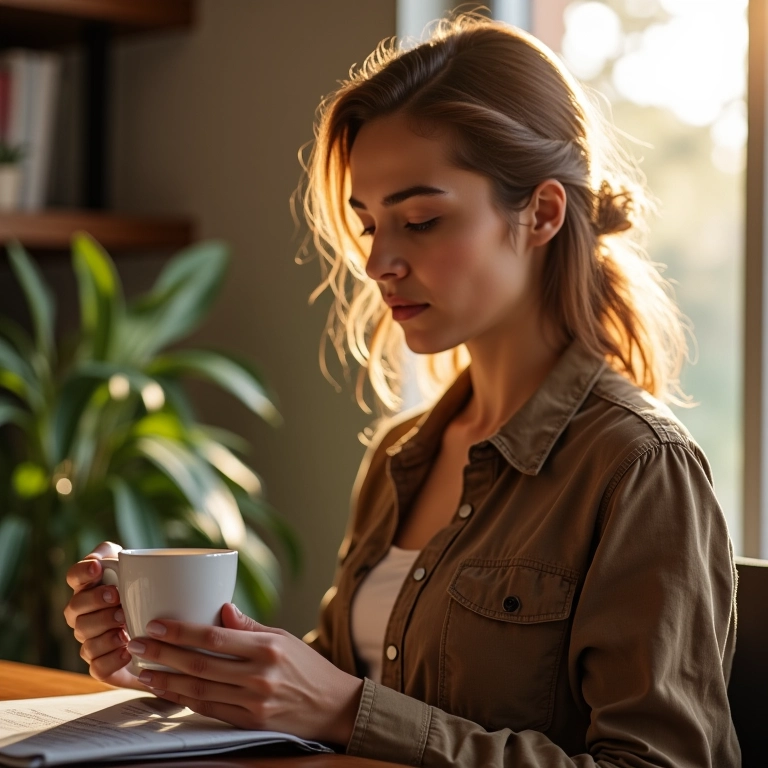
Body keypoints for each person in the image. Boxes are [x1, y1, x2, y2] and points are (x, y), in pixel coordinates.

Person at [63, 14, 741, 767]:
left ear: (543, 212)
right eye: (369, 224)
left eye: (421, 220)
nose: (379, 261)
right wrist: (178, 660)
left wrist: (348, 710)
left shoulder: (639, 470)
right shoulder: (401, 455)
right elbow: (339, 693)